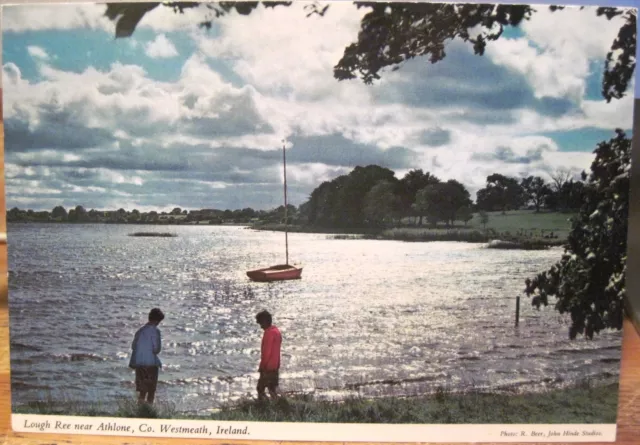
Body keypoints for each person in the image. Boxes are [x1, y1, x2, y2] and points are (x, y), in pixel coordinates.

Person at [129, 308, 164, 405]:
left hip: (140, 364)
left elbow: (133, 346)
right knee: (151, 391)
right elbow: (156, 349)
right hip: (151, 364)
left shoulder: (139, 331)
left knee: (142, 391)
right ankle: (148, 412)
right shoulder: (156, 331)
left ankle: (140, 411)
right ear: (157, 320)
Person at [256, 310, 282, 400]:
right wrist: (278, 364)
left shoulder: (268, 333)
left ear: (265, 322)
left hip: (268, 367)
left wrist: (262, 366)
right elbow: (277, 351)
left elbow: (267, 353)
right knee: (272, 389)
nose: (261, 327)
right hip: (275, 366)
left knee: (260, 389)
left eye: (261, 324)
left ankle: (263, 407)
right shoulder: (277, 332)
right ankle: (277, 405)